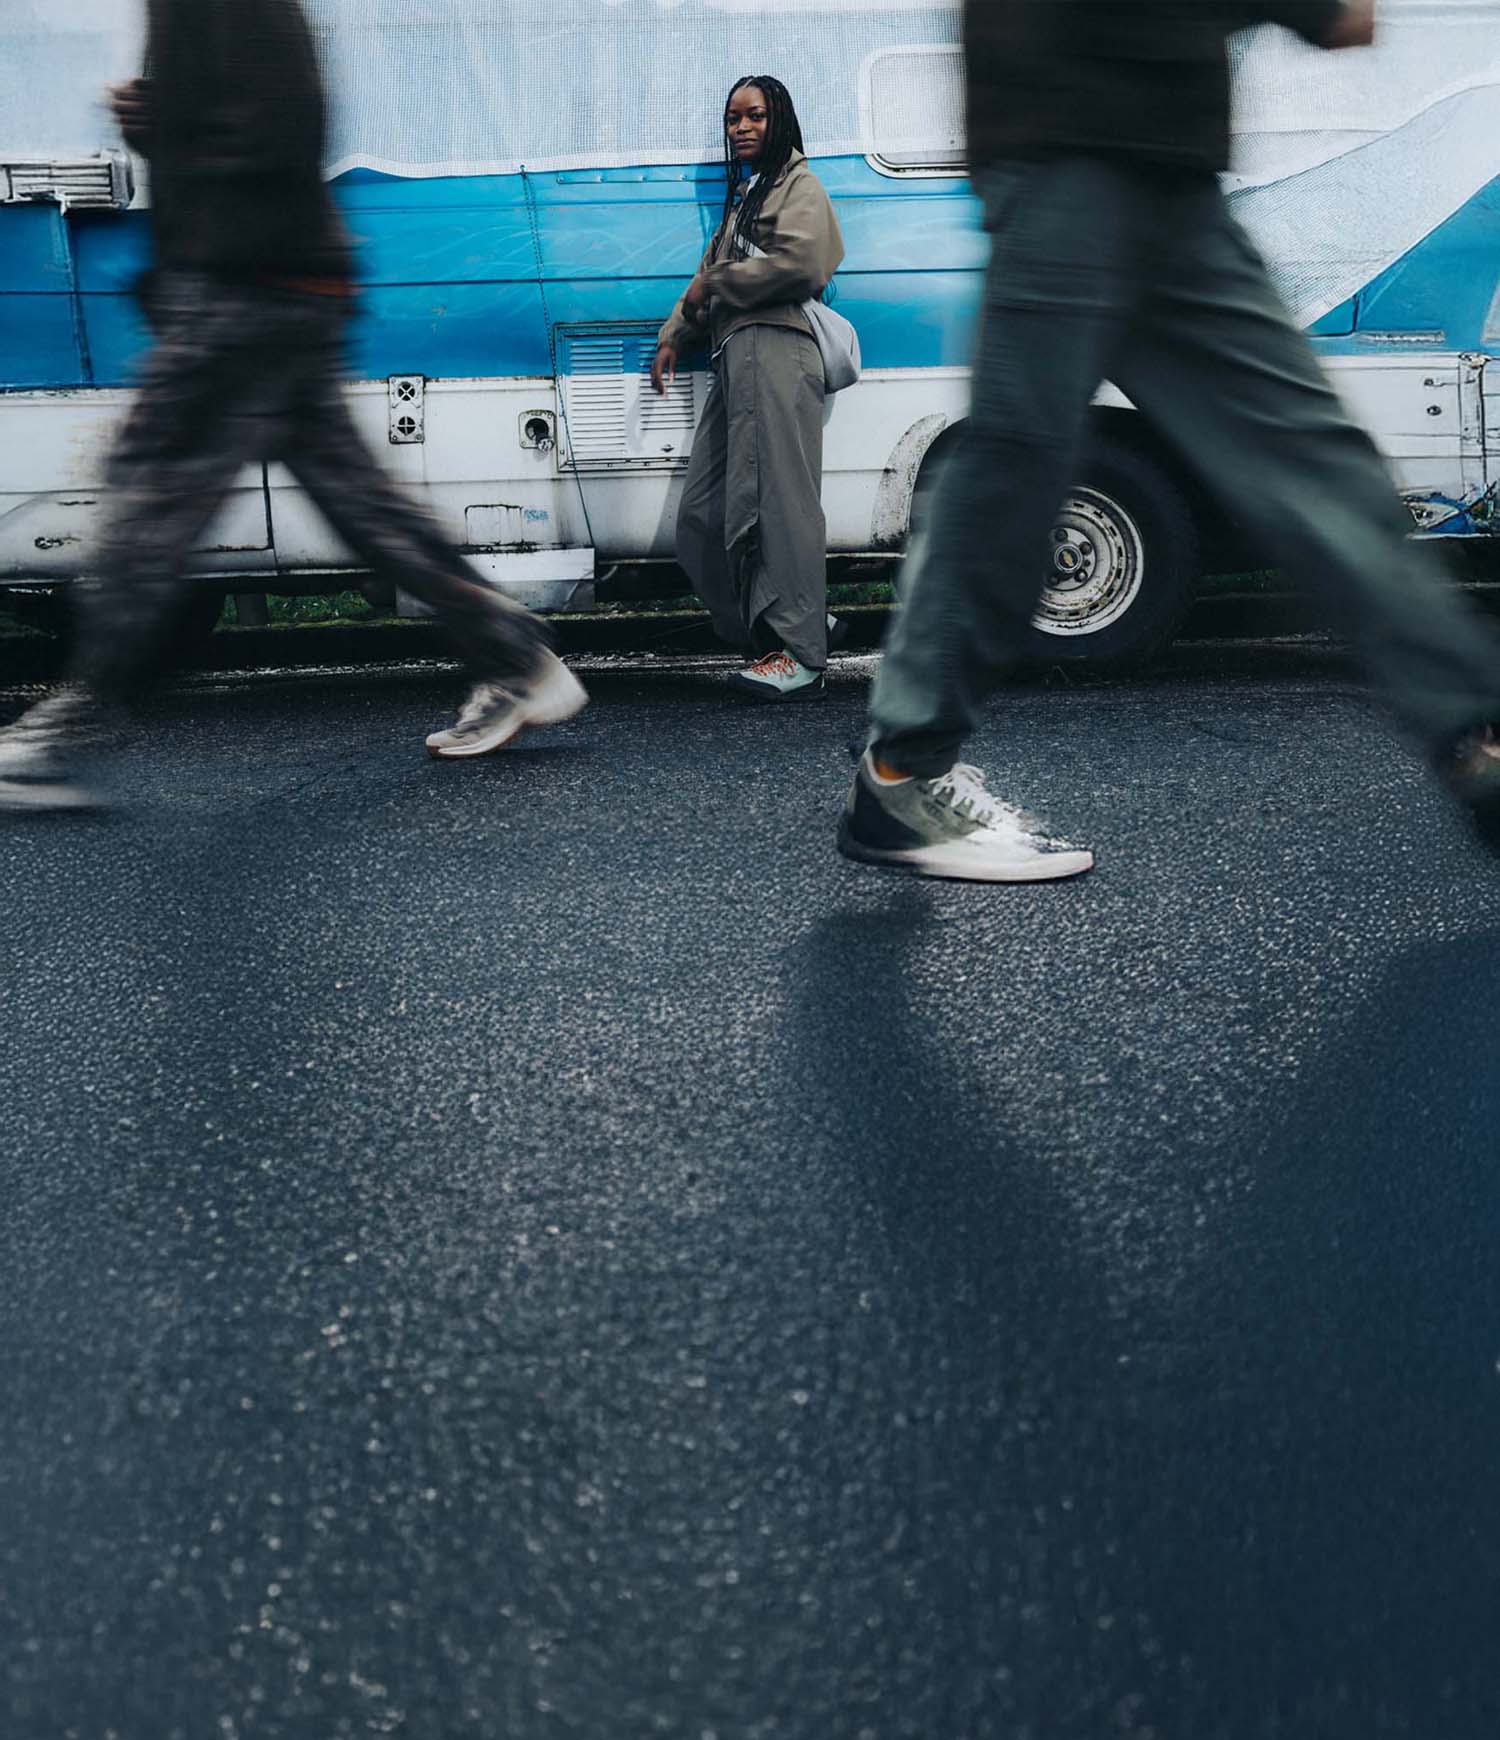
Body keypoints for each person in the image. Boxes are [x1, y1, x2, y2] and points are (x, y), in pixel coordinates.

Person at [838, 0, 1500, 882]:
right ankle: (903, 774)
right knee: (1022, 463)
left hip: (1157, 158)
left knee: (1305, 454)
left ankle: (1477, 734)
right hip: (1074, 144)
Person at [0, 0, 584, 815]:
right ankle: (518, 660)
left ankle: (67, 729)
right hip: (274, 287)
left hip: (245, 290)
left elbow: (276, 128)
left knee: (152, 499)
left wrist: (159, 126)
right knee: (361, 507)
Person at [652, 76, 844, 702]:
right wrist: (675, 334)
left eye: (755, 116)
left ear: (779, 119)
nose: (741, 128)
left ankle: (800, 652)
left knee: (779, 506)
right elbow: (703, 282)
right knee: (703, 517)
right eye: (733, 118)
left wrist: (714, 288)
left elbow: (805, 265)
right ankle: (781, 626)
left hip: (778, 347)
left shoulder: (798, 185)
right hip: (736, 356)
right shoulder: (747, 197)